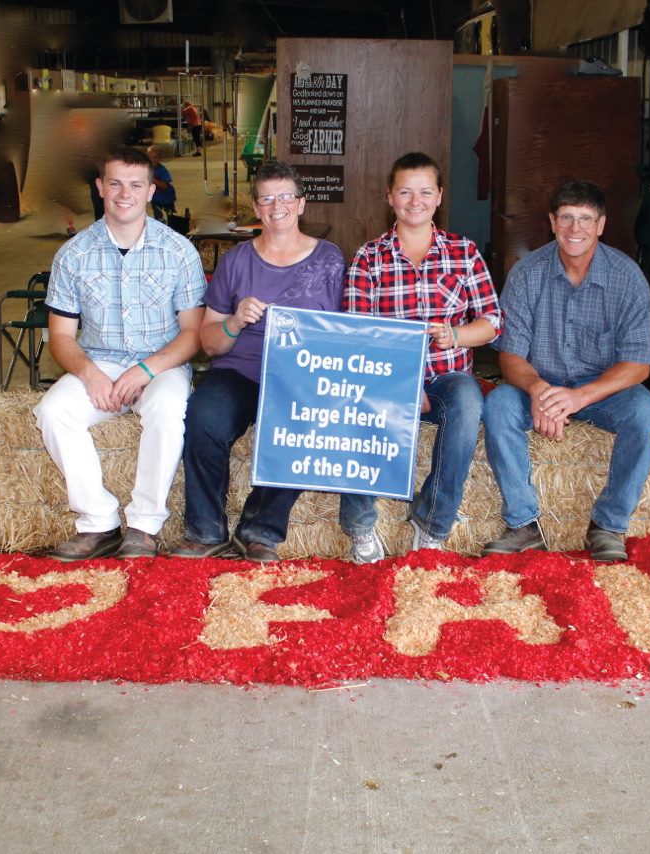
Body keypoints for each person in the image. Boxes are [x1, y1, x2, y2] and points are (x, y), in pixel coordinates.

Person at [33, 146, 207, 561]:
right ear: (100, 188)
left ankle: (145, 526)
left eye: (135, 185)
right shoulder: (73, 254)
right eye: (114, 184)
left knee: (168, 409)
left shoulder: (179, 251)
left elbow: (192, 334)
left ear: (150, 190)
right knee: (53, 411)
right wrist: (89, 373)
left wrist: (148, 368)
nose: (124, 194)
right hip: (99, 358)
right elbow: (60, 335)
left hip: (161, 359)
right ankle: (99, 521)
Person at [481, 180, 650, 562]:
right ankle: (523, 525)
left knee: (648, 415)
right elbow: (510, 356)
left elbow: (639, 365)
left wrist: (578, 397)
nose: (574, 229)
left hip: (601, 390)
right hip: (542, 383)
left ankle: (608, 525)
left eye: (585, 219)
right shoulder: (527, 273)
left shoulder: (626, 277)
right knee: (498, 405)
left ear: (601, 225)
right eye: (566, 218)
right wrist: (537, 391)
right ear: (552, 222)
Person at [172, 162, 344, 563]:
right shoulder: (236, 262)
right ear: (256, 208)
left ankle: (260, 529)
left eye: (285, 197)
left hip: (300, 377)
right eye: (267, 198)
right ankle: (205, 529)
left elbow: (343, 332)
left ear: (301, 204)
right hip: (240, 370)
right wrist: (233, 322)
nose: (276, 205)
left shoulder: (330, 260)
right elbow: (209, 343)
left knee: (308, 424)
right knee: (203, 415)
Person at [339, 152, 502, 563]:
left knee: (468, 401)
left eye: (425, 192)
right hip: (384, 377)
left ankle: (432, 523)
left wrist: (457, 335)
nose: (416, 201)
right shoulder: (368, 257)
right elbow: (358, 335)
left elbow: (493, 320)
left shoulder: (463, 252)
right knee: (354, 404)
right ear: (390, 198)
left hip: (448, 377)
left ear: (439, 196)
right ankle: (360, 527)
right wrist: (402, 385)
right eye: (405, 192)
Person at [146, 144, 177, 221]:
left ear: (160, 158)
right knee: (158, 218)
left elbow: (164, 186)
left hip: (166, 197)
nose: (153, 160)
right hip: (155, 198)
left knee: (171, 217)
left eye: (155, 157)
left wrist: (153, 180)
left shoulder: (162, 170)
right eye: (150, 158)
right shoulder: (147, 169)